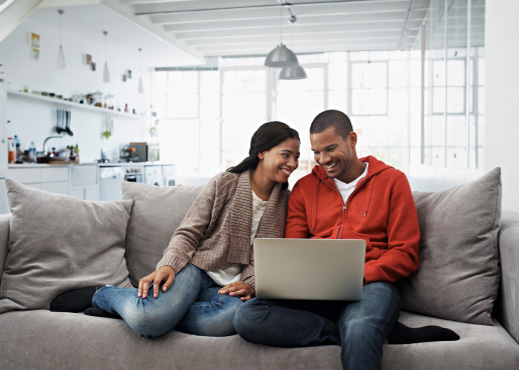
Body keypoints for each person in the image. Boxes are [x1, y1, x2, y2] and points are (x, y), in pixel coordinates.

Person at [233, 110, 458, 370]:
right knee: (248, 316)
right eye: (316, 152)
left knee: (360, 326)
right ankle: (376, 334)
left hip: (370, 286)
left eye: (330, 149)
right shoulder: (304, 188)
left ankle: (363, 331)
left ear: (352, 139)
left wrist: (359, 275)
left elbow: (404, 253)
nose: (323, 159)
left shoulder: (392, 181)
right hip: (314, 289)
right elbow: (293, 249)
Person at [50, 121, 301, 338]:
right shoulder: (226, 183)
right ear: (262, 152)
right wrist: (169, 265)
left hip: (229, 287)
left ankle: (139, 310)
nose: (293, 163)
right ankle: (105, 295)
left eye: (297, 157)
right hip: (198, 269)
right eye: (286, 154)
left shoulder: (285, 202)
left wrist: (251, 284)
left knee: (229, 318)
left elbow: (269, 256)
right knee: (149, 320)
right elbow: (189, 231)